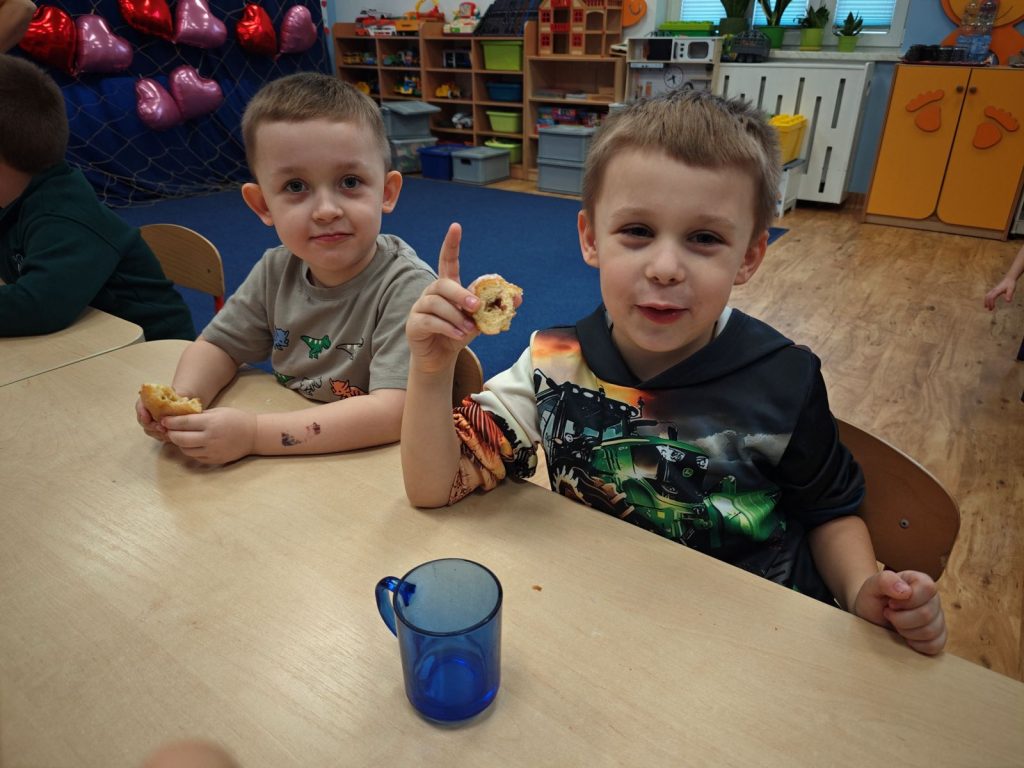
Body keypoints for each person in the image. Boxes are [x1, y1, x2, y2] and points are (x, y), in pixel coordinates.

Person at [402, 90, 947, 655]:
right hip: (602, 627)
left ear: (749, 256)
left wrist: (860, 592)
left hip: (752, 643)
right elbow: (435, 487)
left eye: (704, 238)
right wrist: (432, 370)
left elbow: (831, 512)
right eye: (638, 230)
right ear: (590, 238)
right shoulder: (552, 361)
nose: (665, 268)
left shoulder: (785, 379)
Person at [136, 72, 435, 465]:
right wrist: (185, 400)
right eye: (296, 186)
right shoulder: (276, 268)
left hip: (372, 467)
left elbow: (394, 412)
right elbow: (219, 346)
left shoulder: (407, 286)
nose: (326, 210)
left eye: (350, 182)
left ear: (387, 192)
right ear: (262, 205)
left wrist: (254, 434)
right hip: (294, 456)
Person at [0, 54, 195, 341]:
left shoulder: (63, 213)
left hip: (153, 353)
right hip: (85, 343)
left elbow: (39, 306)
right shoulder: (14, 199)